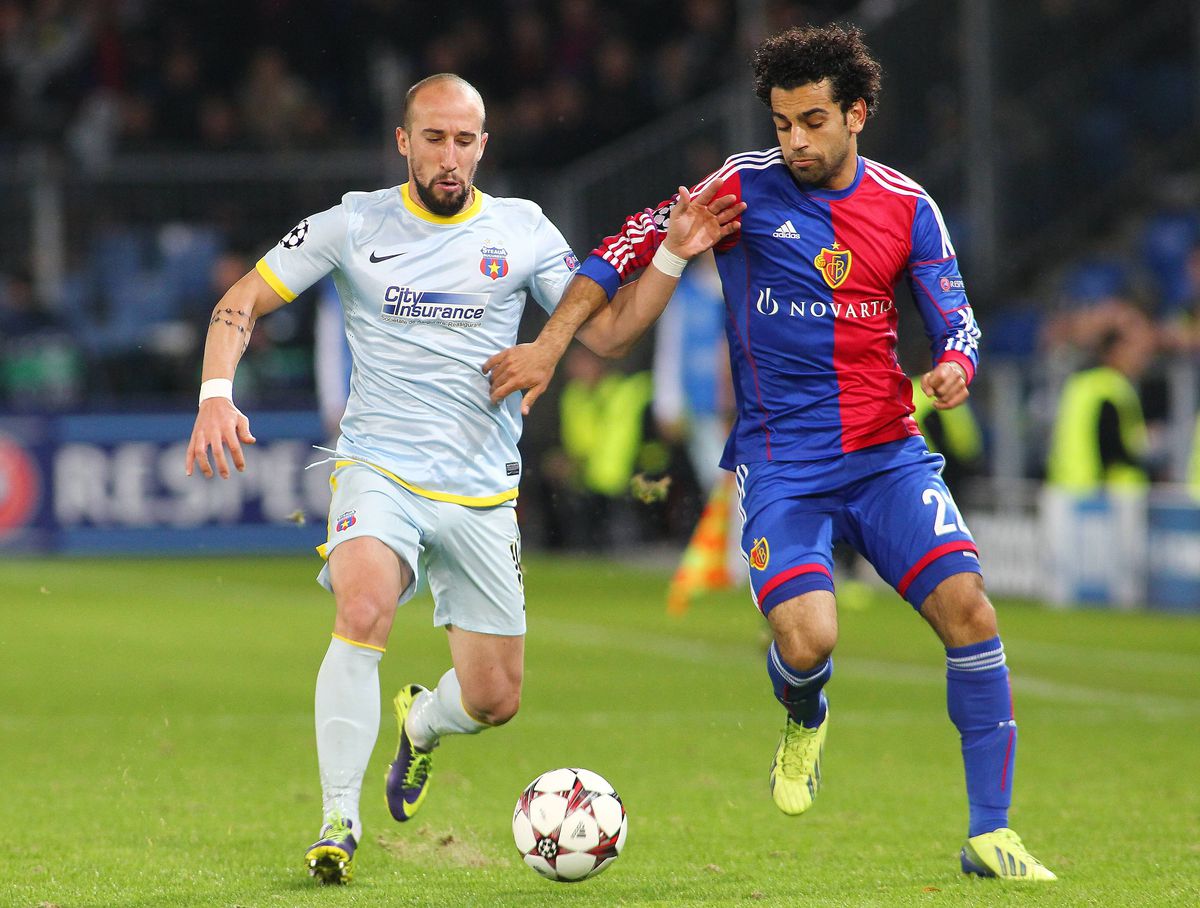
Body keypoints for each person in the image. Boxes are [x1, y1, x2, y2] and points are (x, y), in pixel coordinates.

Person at [484, 24, 1056, 882]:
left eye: (814, 121)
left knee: (971, 613)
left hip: (887, 455)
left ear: (857, 114)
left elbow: (956, 316)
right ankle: (803, 708)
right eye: (783, 122)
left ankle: (990, 834)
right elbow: (622, 250)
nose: (794, 140)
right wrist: (551, 345)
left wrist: (954, 365)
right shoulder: (742, 189)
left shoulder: (908, 206)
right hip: (783, 463)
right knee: (807, 637)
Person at [183, 73, 741, 885]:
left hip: (482, 491)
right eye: (434, 138)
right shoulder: (353, 222)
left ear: (485, 145)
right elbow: (242, 300)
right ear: (403, 142)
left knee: (494, 699)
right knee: (363, 602)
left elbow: (611, 335)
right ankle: (338, 817)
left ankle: (423, 724)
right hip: (379, 467)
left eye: (465, 140)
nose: (450, 156)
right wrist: (214, 395)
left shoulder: (521, 232)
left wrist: (669, 254)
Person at [1046, 315, 1155, 492]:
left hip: (1068, 489)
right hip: (1104, 498)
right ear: (1115, 350)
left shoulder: (1081, 384)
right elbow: (1111, 449)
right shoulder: (1111, 388)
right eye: (1136, 350)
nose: (1142, 357)